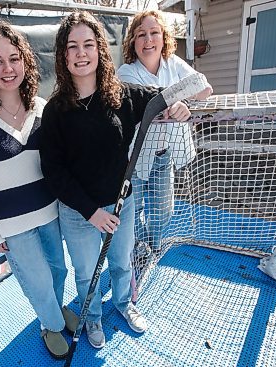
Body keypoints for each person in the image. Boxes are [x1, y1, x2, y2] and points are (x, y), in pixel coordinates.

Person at [39, 11, 198, 349]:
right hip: (79, 214)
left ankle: (125, 304)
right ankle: (92, 317)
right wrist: (90, 211)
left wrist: (179, 104)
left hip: (121, 204)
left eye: (88, 44)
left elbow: (164, 96)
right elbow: (54, 173)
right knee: (86, 275)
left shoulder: (122, 94)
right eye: (73, 47)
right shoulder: (55, 110)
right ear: (63, 55)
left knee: (122, 264)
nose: (81, 53)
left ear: (99, 49)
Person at [0, 19, 78, 360]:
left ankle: (54, 310)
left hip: (48, 210)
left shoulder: (42, 107)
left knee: (59, 269)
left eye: (14, 58)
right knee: (37, 278)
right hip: (11, 222)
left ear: (25, 61)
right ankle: (51, 324)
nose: (7, 68)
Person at [117, 10, 213, 257]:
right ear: (133, 42)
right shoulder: (126, 72)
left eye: (153, 33)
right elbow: (153, 99)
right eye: (141, 35)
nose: (148, 40)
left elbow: (203, 87)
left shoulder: (173, 63)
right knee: (133, 209)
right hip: (134, 157)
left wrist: (182, 102)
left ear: (163, 37)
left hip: (164, 153)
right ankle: (138, 249)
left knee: (162, 210)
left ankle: (155, 245)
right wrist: (176, 99)